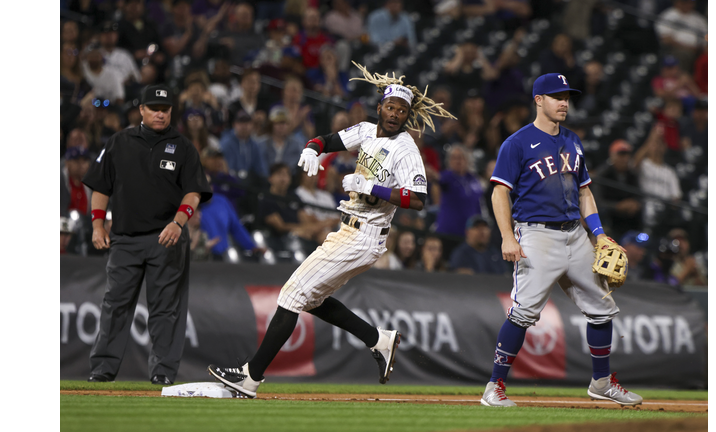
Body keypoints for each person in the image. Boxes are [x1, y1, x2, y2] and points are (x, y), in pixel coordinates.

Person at [207, 64, 455, 398]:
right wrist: (311, 148)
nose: (395, 114)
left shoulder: (406, 148)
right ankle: (378, 340)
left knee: (291, 295)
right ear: (380, 106)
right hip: (349, 230)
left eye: (402, 110)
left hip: (365, 234)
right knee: (312, 299)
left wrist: (373, 187)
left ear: (408, 116)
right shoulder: (367, 130)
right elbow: (326, 139)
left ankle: (250, 378)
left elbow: (419, 199)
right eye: (391, 106)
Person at [481, 73, 642, 407]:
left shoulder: (573, 140)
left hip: (575, 233)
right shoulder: (517, 143)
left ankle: (601, 382)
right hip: (536, 234)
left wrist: (598, 234)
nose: (564, 102)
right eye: (556, 96)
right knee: (523, 313)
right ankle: (494, 386)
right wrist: (507, 236)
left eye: (567, 96)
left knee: (602, 308)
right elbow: (499, 193)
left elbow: (585, 192)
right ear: (538, 100)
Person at [83, 84, 212, 385]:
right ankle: (102, 368)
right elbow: (101, 186)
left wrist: (178, 223)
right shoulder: (119, 142)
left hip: (166, 238)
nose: (160, 114)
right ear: (141, 110)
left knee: (166, 309)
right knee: (114, 303)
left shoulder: (183, 147)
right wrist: (97, 225)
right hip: (125, 239)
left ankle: (163, 372)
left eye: (165, 109)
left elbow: (193, 193)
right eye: (154, 108)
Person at [591, 139, 643, 238]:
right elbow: (597, 202)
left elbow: (639, 195)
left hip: (629, 217)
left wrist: (635, 204)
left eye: (627, 154)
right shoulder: (603, 174)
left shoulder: (632, 174)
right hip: (610, 218)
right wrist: (617, 206)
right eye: (621, 154)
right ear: (612, 155)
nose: (625, 158)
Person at [219, 110, 270, 181]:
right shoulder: (226, 143)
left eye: (247, 123)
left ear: (252, 125)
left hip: (248, 182)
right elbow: (227, 169)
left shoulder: (254, 145)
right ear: (234, 124)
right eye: (240, 123)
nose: (244, 126)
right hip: (231, 181)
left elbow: (261, 169)